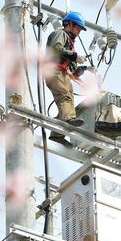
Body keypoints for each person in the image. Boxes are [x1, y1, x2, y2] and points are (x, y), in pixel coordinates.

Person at [45, 11, 88, 147]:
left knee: (68, 100)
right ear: (68, 24)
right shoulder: (61, 34)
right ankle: (68, 120)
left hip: (61, 73)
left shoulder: (69, 41)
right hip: (54, 71)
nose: (79, 31)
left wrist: (86, 68)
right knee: (65, 97)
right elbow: (55, 48)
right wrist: (74, 56)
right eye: (77, 27)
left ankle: (57, 134)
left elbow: (73, 69)